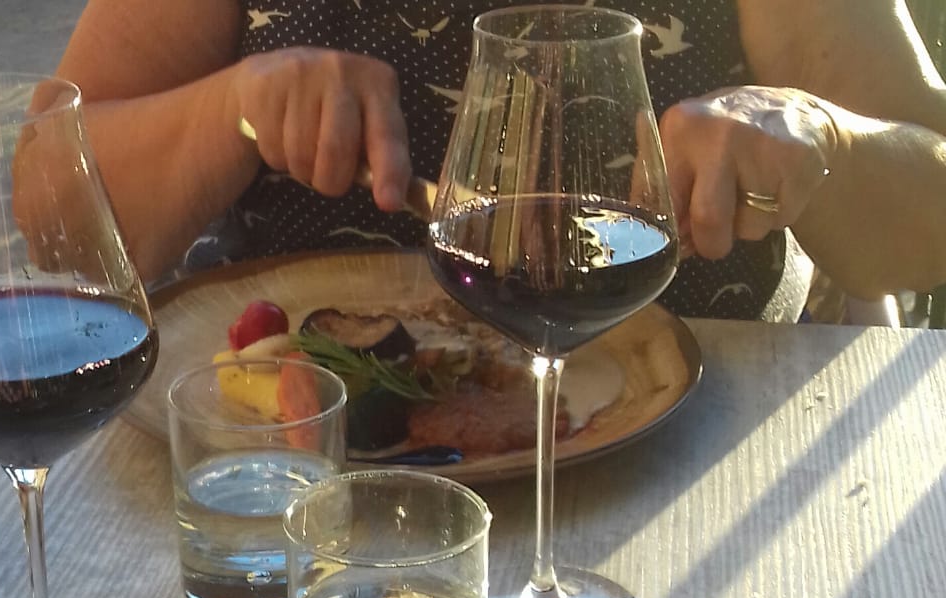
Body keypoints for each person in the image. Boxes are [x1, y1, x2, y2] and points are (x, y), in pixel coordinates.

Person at [57, 0, 946, 320]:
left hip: (697, 455)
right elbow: (49, 205)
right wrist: (227, 109)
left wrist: (819, 134)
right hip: (304, 471)